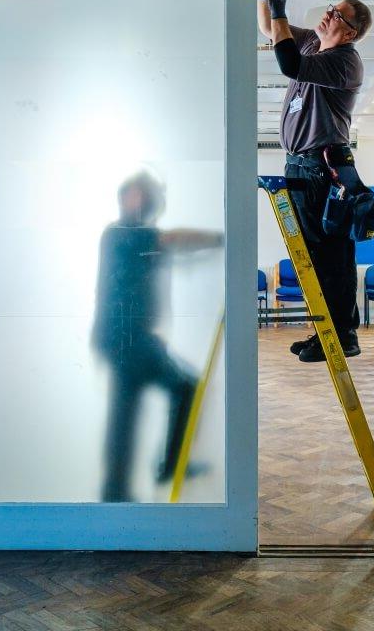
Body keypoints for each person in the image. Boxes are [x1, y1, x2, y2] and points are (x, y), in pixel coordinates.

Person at [257, 0, 373, 363]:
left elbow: (287, 63)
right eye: (330, 8)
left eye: (337, 14)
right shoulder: (310, 43)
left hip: (322, 170)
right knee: (313, 257)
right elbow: (270, 31)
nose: (327, 14)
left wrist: (280, 5)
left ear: (350, 31)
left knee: (331, 257)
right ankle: (326, 333)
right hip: (301, 166)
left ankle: (342, 336)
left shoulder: (345, 61)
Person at [92, 171, 223, 502]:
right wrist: (224, 237)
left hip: (128, 337)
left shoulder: (134, 235)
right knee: (181, 388)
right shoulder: (121, 234)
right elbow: (172, 239)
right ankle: (155, 471)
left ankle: (118, 488)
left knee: (126, 411)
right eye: (132, 194)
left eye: (142, 195)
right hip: (126, 337)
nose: (136, 200)